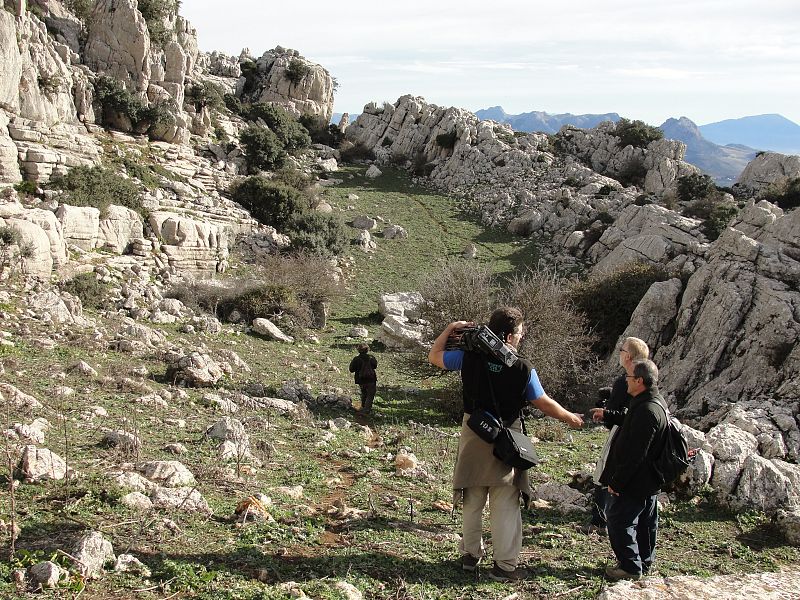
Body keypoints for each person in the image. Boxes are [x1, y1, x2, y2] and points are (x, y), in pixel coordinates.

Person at [428, 307, 583, 582]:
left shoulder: (468, 357)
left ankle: (470, 556)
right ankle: (504, 566)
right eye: (520, 334)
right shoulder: (523, 368)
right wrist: (569, 416)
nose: (521, 339)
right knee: (505, 505)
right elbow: (543, 402)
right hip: (506, 439)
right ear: (509, 336)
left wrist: (451, 328)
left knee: (472, 499)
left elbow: (435, 356)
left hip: (474, 431)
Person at [597, 359, 668, 581]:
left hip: (636, 481)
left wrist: (617, 482)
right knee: (646, 524)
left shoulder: (647, 410)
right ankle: (644, 562)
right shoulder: (651, 402)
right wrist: (607, 414)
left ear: (639, 381)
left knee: (619, 520)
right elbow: (629, 420)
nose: (625, 382)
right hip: (647, 482)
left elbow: (636, 454)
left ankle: (630, 567)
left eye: (628, 378)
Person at [582, 337, 650, 536]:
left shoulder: (624, 381)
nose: (619, 353)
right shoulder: (644, 378)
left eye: (621, 350)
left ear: (628, 356)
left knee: (603, 474)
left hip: (620, 433)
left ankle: (599, 520)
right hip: (637, 434)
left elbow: (618, 416)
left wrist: (606, 412)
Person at [349, 343, 378, 414]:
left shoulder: (356, 359)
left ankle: (363, 407)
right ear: (367, 350)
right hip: (371, 379)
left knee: (364, 393)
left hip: (361, 380)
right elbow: (375, 366)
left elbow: (351, 369)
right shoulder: (371, 357)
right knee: (370, 395)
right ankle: (366, 410)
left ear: (358, 350)